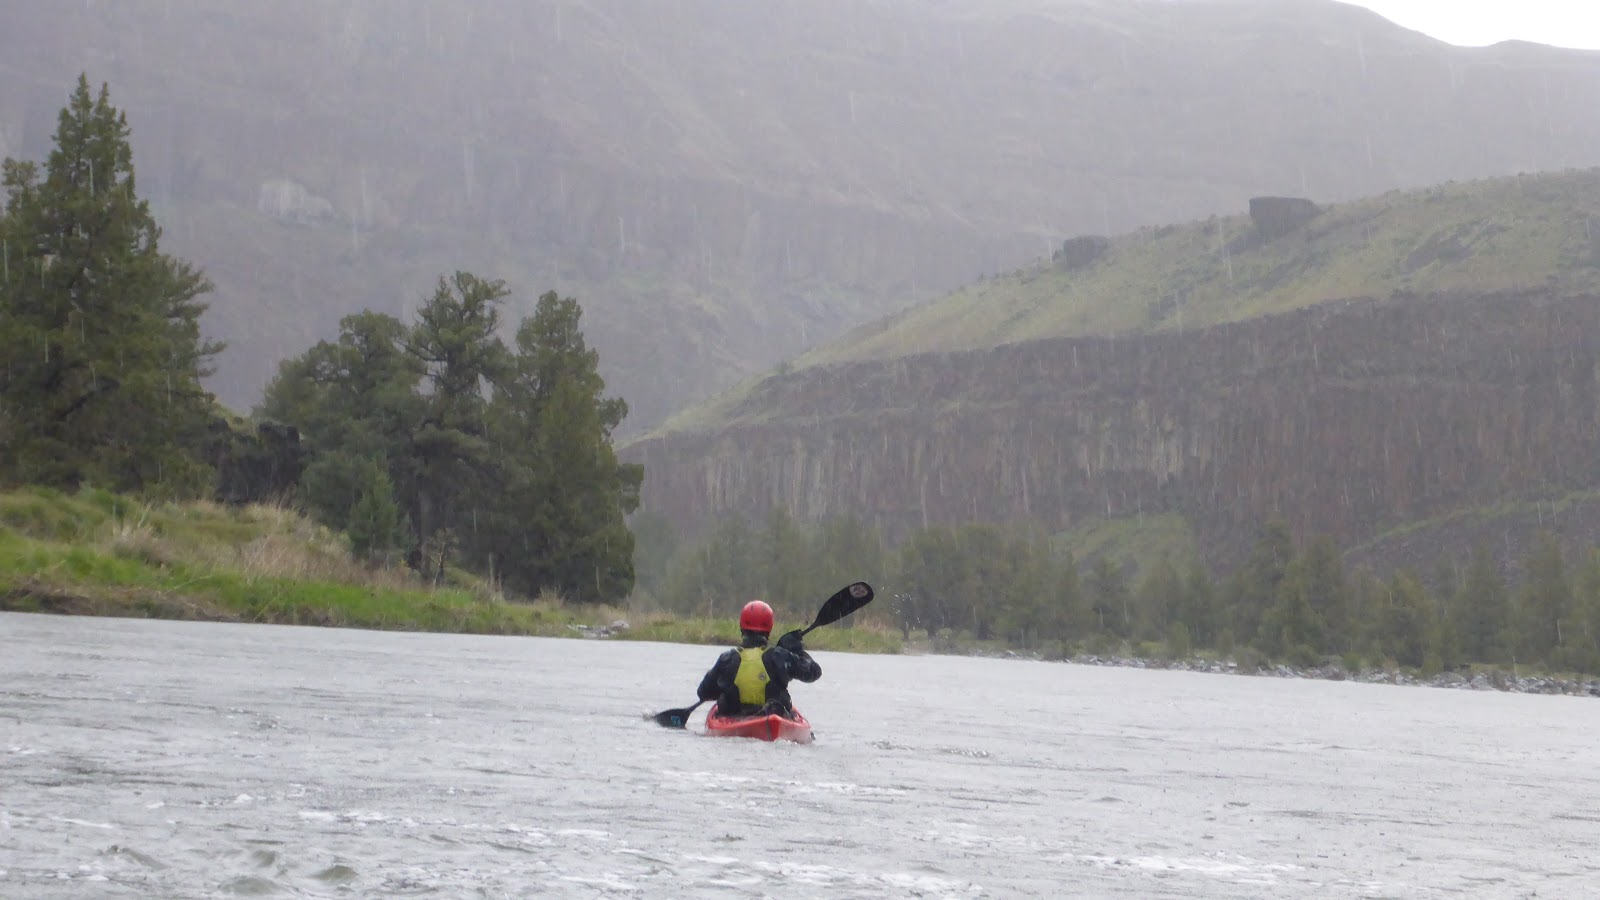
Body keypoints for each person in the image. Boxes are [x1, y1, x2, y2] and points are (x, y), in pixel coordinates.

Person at [696, 600, 821, 718]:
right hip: (773, 716)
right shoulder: (779, 656)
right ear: (770, 628)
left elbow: (703, 693)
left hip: (735, 716)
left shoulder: (727, 659)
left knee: (724, 700)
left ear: (741, 626)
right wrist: (797, 651)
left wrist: (722, 688)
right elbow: (814, 672)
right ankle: (769, 711)